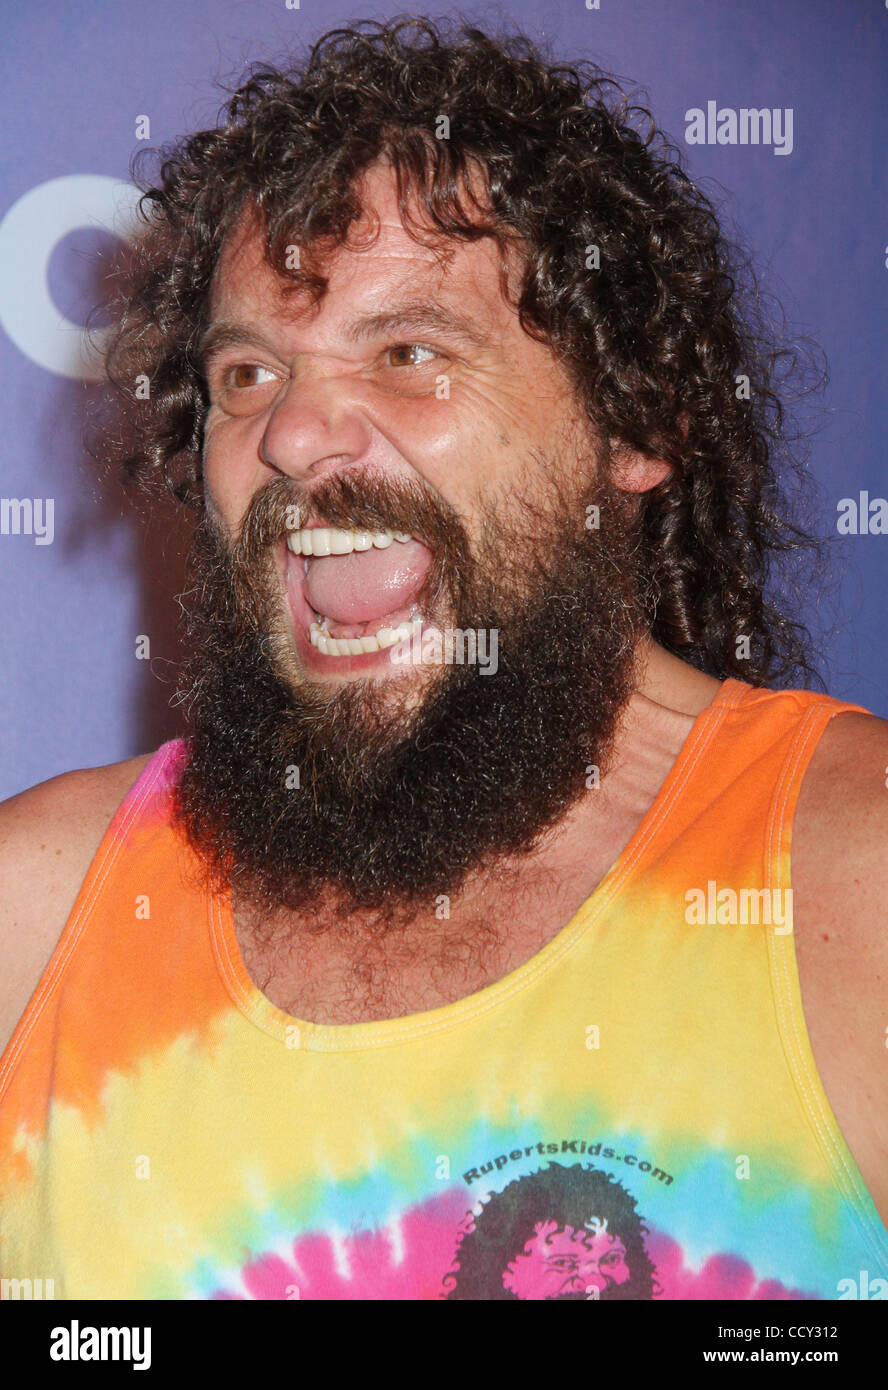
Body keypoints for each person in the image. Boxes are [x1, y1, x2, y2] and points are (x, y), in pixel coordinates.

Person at [1, 17, 885, 1302]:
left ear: (634, 427)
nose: (296, 433)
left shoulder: (853, 883)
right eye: (247, 372)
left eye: (409, 353)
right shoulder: (34, 915)